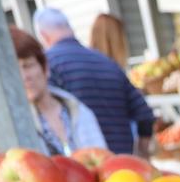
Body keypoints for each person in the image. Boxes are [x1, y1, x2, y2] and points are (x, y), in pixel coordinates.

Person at [33, 7, 154, 156]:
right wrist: (142, 155)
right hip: (122, 163)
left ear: (43, 36)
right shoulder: (107, 62)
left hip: (85, 169)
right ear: (70, 29)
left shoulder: (48, 65)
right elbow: (144, 115)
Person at [10, 26, 107, 155]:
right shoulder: (16, 126)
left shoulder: (79, 111)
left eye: (27, 65)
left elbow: (102, 157)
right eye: (15, 71)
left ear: (45, 67)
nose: (24, 77)